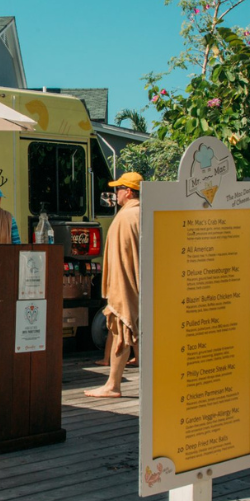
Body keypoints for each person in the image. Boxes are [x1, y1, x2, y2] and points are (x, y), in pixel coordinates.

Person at [85, 171, 142, 398]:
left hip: (126, 284)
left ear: (128, 192)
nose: (115, 193)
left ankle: (113, 385)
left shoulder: (126, 217)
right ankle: (115, 384)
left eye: (118, 189)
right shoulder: (146, 214)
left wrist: (119, 291)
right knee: (134, 333)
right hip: (145, 285)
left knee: (121, 330)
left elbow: (122, 259)